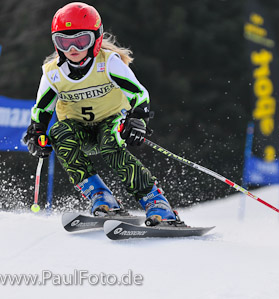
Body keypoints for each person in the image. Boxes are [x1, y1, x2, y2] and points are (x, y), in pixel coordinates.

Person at [23, 2, 180, 226]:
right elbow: (41, 110)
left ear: (95, 39)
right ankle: (101, 197)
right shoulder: (52, 73)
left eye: (81, 41)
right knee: (58, 133)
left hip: (112, 122)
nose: (72, 49)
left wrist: (137, 119)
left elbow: (139, 94)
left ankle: (156, 202)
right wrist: (36, 133)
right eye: (64, 42)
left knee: (110, 142)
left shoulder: (108, 63)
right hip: (79, 130)